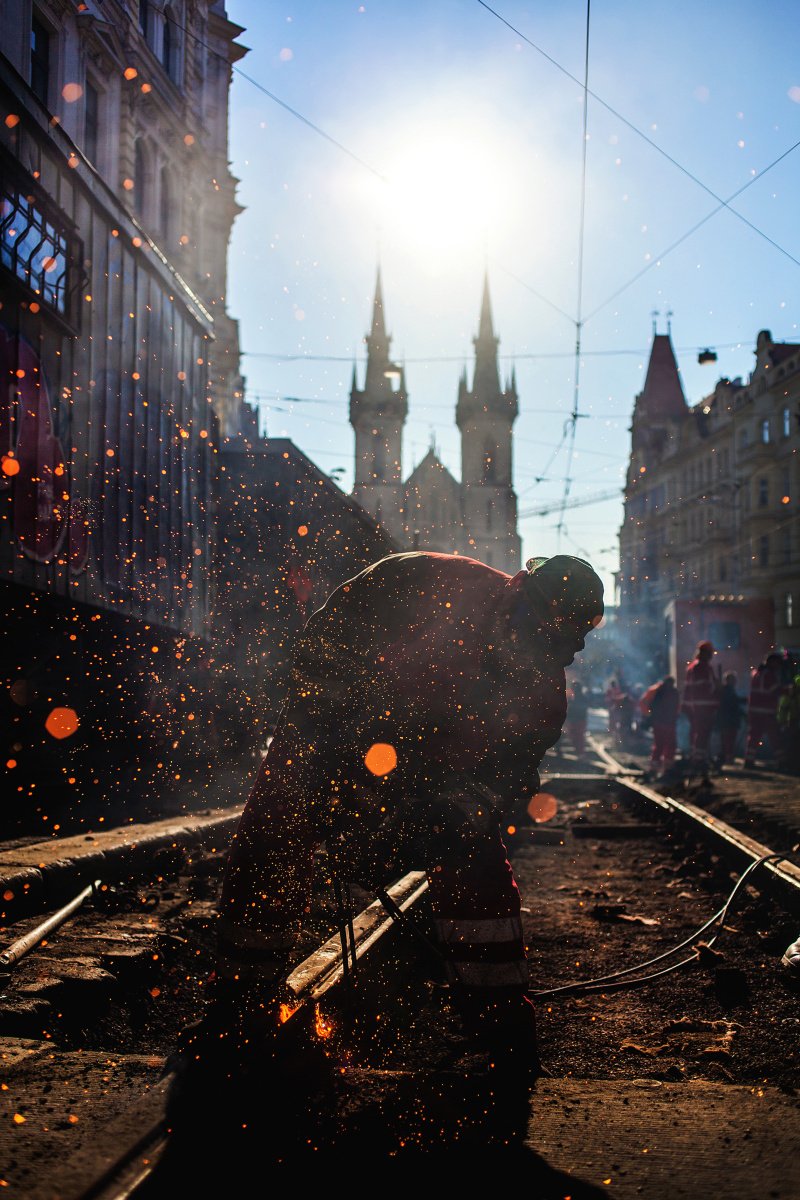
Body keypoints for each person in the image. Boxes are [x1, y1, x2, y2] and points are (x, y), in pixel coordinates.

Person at [192, 551, 604, 1083]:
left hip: (428, 776)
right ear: (520, 593)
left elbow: (506, 780)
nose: (538, 650)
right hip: (337, 733)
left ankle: (501, 1027)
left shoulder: (542, 694)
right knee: (278, 820)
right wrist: (337, 735)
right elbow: (327, 638)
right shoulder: (428, 577)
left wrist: (454, 811)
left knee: (474, 860)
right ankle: (239, 995)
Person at [681, 640, 721, 778]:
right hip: (705, 707)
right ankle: (699, 760)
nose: (711, 656)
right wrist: (718, 689)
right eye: (710, 653)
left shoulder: (692, 667)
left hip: (696, 707)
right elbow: (708, 687)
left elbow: (688, 690)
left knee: (698, 734)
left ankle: (698, 758)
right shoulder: (703, 667)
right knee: (703, 734)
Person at [744, 652, 785, 767]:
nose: (778, 666)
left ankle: (749, 760)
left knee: (754, 736)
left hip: (755, 712)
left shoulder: (758, 673)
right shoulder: (769, 675)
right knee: (775, 736)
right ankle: (781, 761)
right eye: (777, 663)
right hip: (766, 712)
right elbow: (775, 690)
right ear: (772, 662)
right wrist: (790, 690)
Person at [647, 675, 680, 777]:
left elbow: (648, 704)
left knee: (659, 745)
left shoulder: (658, 691)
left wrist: (649, 717)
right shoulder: (674, 692)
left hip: (660, 724)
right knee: (668, 745)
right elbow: (677, 708)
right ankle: (666, 769)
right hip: (668, 724)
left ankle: (656, 769)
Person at [715, 672, 745, 768]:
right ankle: (728, 759)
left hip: (726, 720)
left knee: (726, 740)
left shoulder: (726, 690)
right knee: (729, 740)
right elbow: (733, 704)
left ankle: (725, 757)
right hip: (729, 720)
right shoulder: (728, 691)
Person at [777, 673, 800, 771]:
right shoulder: (791, 694)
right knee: (792, 744)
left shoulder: (791, 693)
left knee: (792, 744)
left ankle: (791, 764)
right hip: (792, 722)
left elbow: (783, 708)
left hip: (792, 721)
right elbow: (783, 708)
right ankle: (791, 764)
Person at [564, 680, 590, 757]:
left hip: (579, 720)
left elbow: (583, 708)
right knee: (576, 737)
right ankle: (579, 752)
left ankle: (580, 753)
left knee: (578, 737)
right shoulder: (572, 697)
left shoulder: (580, 697)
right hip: (575, 720)